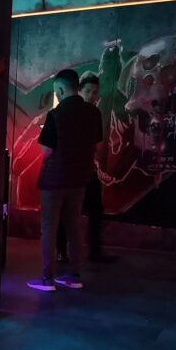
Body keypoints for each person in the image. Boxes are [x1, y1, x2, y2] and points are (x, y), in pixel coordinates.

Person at [28, 69, 102, 292]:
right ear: (77, 87)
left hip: (54, 180)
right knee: (74, 227)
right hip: (79, 179)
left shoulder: (56, 114)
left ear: (60, 89)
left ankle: (47, 279)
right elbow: (96, 144)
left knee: (49, 228)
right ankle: (74, 276)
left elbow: (46, 151)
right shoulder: (93, 113)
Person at [56, 74, 114, 264]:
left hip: (85, 169)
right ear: (79, 91)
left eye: (95, 93)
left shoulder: (94, 113)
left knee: (94, 209)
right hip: (70, 169)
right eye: (88, 91)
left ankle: (93, 251)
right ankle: (62, 251)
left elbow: (95, 143)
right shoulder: (69, 111)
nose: (91, 96)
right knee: (67, 210)